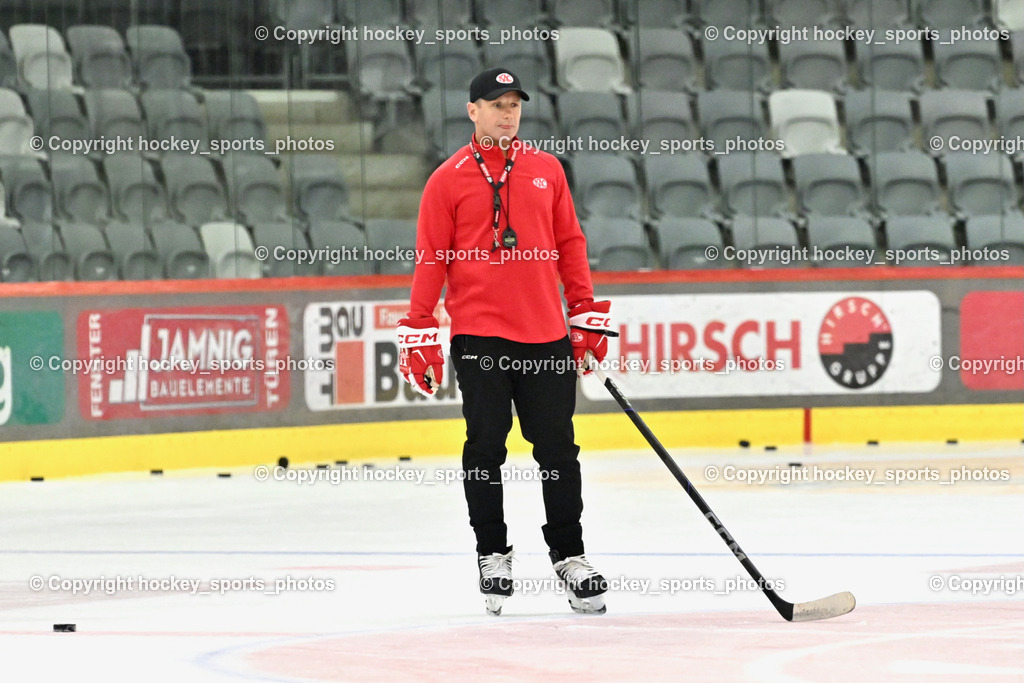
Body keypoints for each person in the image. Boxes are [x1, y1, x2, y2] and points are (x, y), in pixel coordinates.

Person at [396, 67, 616, 616]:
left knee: (559, 452)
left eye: (514, 104)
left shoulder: (547, 170)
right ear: (473, 111)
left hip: (546, 337)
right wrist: (419, 328)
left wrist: (584, 311)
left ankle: (571, 557)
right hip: (479, 339)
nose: (507, 113)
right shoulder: (446, 180)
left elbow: (570, 242)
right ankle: (492, 553)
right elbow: (431, 260)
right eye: (496, 104)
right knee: (485, 450)